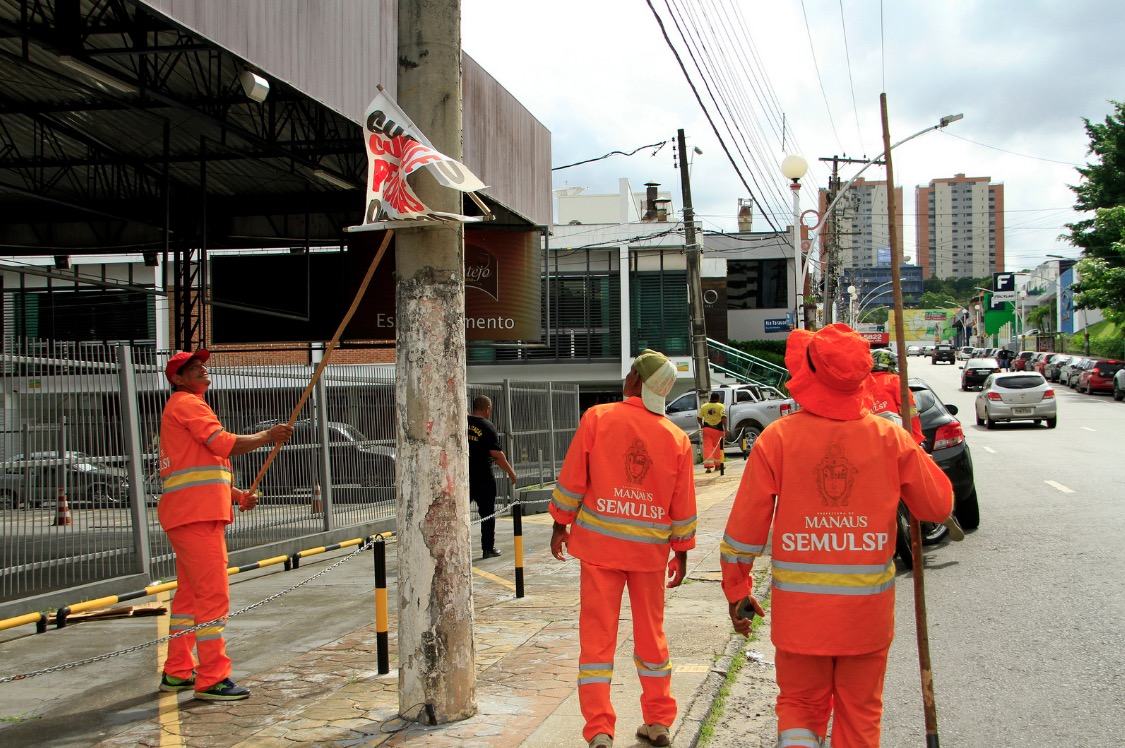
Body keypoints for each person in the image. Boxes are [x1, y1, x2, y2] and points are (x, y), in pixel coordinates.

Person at [719, 324, 953, 747]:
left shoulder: (778, 439)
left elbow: (742, 535)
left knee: (799, 708)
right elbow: (937, 507)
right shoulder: (889, 438)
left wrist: (737, 590)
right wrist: (910, 445)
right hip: (865, 621)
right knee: (860, 716)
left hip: (800, 619)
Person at [549, 349, 697, 748]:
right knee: (652, 638)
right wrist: (680, 553)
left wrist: (560, 524)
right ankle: (659, 721)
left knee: (596, 641)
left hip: (599, 551)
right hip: (649, 556)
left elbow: (573, 480)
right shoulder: (677, 438)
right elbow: (682, 506)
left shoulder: (598, 418)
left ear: (633, 378)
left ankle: (599, 728)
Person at [158, 350, 293, 701]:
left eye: (203, 365)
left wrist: (235, 496)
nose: (203, 368)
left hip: (190, 514)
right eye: (193, 368)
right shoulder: (188, 403)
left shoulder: (183, 405)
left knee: (189, 598)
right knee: (212, 597)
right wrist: (267, 436)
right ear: (177, 379)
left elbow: (199, 467)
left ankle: (177, 672)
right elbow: (223, 445)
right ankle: (212, 679)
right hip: (197, 516)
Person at [467, 396, 517, 559]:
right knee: (487, 514)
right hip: (483, 477)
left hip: (464, 477)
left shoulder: (462, 422)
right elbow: (496, 454)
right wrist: (510, 471)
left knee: (459, 514)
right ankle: (488, 548)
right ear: (487, 409)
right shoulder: (487, 427)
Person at [864, 348, 924, 444]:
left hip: (865, 439)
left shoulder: (859, 383)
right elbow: (909, 412)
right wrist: (916, 438)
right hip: (892, 438)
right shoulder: (895, 381)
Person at [698, 392, 727, 475]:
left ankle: (708, 467)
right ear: (718, 398)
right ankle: (718, 465)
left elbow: (699, 417)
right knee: (718, 447)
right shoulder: (720, 406)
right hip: (718, 429)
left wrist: (702, 426)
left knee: (707, 447)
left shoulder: (704, 406)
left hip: (707, 429)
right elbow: (724, 417)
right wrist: (726, 429)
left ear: (710, 398)